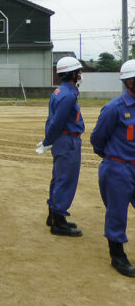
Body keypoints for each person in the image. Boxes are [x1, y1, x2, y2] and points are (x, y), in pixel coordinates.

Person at [89, 59, 135, 277]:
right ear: (129, 82)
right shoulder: (114, 109)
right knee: (117, 213)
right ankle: (117, 255)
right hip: (118, 169)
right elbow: (97, 139)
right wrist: (112, 159)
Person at [35, 56, 84, 237]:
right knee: (66, 180)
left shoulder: (58, 92)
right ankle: (57, 222)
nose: (80, 75)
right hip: (67, 141)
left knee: (58, 178)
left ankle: (56, 216)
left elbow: (52, 121)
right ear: (71, 73)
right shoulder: (68, 95)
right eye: (78, 72)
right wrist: (48, 140)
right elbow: (56, 122)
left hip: (61, 141)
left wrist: (49, 140)